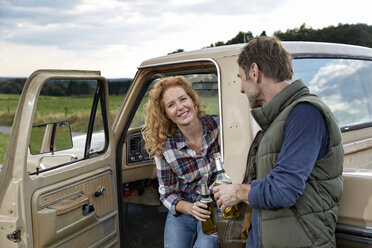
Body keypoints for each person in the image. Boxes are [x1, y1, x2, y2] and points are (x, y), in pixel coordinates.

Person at [213, 37, 344, 248]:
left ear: (254, 72)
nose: (241, 89)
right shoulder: (280, 118)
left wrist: (237, 192)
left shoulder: (304, 113)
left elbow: (283, 189)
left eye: (241, 78)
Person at [142, 76, 220, 248]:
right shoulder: (163, 147)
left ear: (192, 100)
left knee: (206, 246)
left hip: (215, 203)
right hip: (184, 205)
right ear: (165, 114)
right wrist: (190, 208)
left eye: (183, 99)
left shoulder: (218, 126)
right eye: (171, 105)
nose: (180, 107)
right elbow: (167, 194)